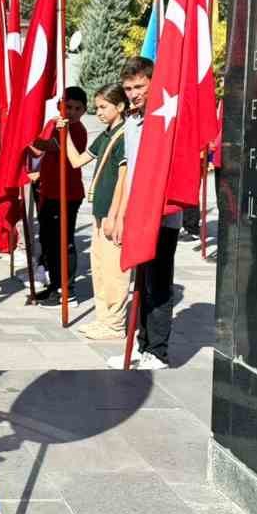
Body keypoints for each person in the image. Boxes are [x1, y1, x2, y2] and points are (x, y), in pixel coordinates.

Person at [101, 56, 182, 370]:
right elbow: (130, 173)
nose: (133, 93)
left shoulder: (165, 120)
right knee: (141, 282)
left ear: (153, 83)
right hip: (137, 213)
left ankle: (158, 351)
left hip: (161, 216)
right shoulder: (133, 122)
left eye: (139, 86)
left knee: (158, 285)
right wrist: (120, 214)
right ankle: (141, 344)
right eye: (128, 88)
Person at [58, 84, 130, 339]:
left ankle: (115, 323)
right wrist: (64, 132)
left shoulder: (125, 135)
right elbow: (77, 160)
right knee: (99, 268)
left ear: (120, 107)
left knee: (114, 272)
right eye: (97, 107)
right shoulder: (107, 134)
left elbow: (124, 178)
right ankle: (103, 319)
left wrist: (114, 215)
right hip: (99, 214)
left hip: (113, 215)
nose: (98, 112)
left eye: (103, 107)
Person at [29, 86, 88, 304]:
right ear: (59, 106)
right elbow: (40, 151)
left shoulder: (77, 130)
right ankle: (54, 284)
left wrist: (27, 132)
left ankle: (66, 289)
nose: (71, 111)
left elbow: (53, 146)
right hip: (49, 191)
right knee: (48, 241)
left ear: (83, 111)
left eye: (76, 108)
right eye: (67, 106)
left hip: (68, 194)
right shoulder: (54, 124)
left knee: (63, 242)